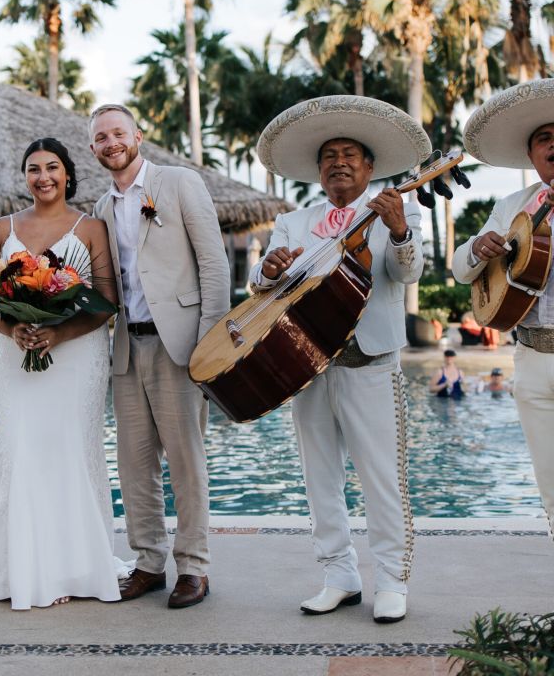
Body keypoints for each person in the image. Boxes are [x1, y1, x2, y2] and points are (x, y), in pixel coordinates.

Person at [250, 95, 430, 623]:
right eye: (329, 155)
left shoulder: (398, 207)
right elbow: (263, 286)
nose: (339, 162)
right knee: (319, 478)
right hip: (303, 366)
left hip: (370, 361)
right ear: (318, 170)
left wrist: (398, 231)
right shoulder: (293, 221)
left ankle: (393, 581)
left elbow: (408, 272)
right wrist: (268, 268)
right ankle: (338, 576)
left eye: (350, 153)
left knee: (382, 477)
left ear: (370, 167)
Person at [0, 137, 122, 610]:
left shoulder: (91, 228)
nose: (43, 177)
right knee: (24, 447)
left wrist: (58, 334)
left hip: (77, 356)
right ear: (25, 177)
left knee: (74, 447)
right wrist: (14, 331)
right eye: (33, 169)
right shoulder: (2, 228)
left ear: (68, 174)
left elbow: (106, 301)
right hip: (17, 357)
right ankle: (25, 565)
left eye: (52, 167)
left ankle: (76, 565)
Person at [90, 104, 230, 609]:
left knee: (186, 461)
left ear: (138, 135)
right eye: (101, 137)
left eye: (118, 133)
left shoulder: (178, 183)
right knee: (134, 462)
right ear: (94, 149)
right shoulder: (101, 208)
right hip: (127, 348)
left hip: (183, 345)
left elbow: (213, 260)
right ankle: (148, 561)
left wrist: (209, 340)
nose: (111, 143)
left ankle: (194, 567)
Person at [452, 79, 554, 540]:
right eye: (544, 139)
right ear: (531, 155)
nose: (553, 146)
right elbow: (460, 270)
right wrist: (479, 247)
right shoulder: (512, 205)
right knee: (550, 487)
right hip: (530, 360)